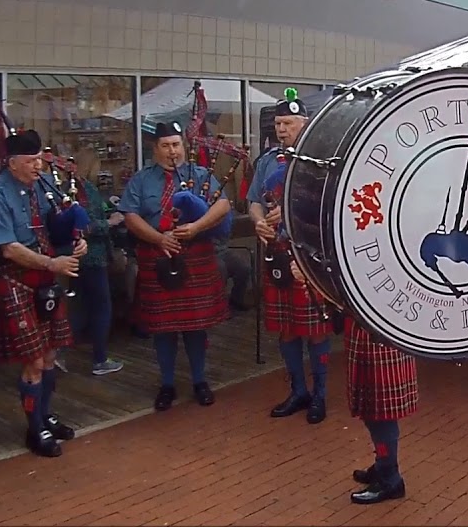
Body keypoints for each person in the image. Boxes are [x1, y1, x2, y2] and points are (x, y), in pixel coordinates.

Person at [0, 129, 84, 458]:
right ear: (11, 163)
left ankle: (45, 415)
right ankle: (34, 428)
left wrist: (76, 239)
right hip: (17, 280)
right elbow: (9, 248)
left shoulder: (41, 187)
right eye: (30, 161)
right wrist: (53, 262)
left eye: (39, 158)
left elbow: (57, 223)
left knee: (51, 355)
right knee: (34, 362)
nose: (38, 165)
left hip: (45, 278)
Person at [118, 121, 231, 411]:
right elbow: (130, 216)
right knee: (163, 329)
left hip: (194, 254)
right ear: (155, 149)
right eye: (167, 145)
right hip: (158, 256)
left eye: (177, 144)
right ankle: (167, 384)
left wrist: (196, 227)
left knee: (196, 327)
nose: (173, 151)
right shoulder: (142, 180)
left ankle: (199, 381)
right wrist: (158, 238)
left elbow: (223, 206)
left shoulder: (201, 173)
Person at [289, 261, 417, 505]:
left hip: (380, 330)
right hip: (371, 328)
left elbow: (357, 286)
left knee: (381, 412)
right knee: (373, 410)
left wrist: (315, 281)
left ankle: (390, 477)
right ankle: (383, 464)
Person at [248, 89, 333, 423]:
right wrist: (258, 223)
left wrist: (289, 212)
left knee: (315, 330)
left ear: (305, 123)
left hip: (307, 254)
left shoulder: (319, 159)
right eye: (278, 123)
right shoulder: (267, 161)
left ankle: (321, 395)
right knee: (286, 328)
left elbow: (328, 205)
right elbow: (254, 200)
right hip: (277, 253)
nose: (282, 129)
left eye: (289, 123)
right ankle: (298, 391)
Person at [68, 149, 125, 377]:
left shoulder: (83, 188)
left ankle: (60, 351)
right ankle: (100, 359)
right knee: (101, 307)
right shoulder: (79, 191)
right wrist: (111, 222)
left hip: (82, 257)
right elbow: (85, 226)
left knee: (81, 307)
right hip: (92, 256)